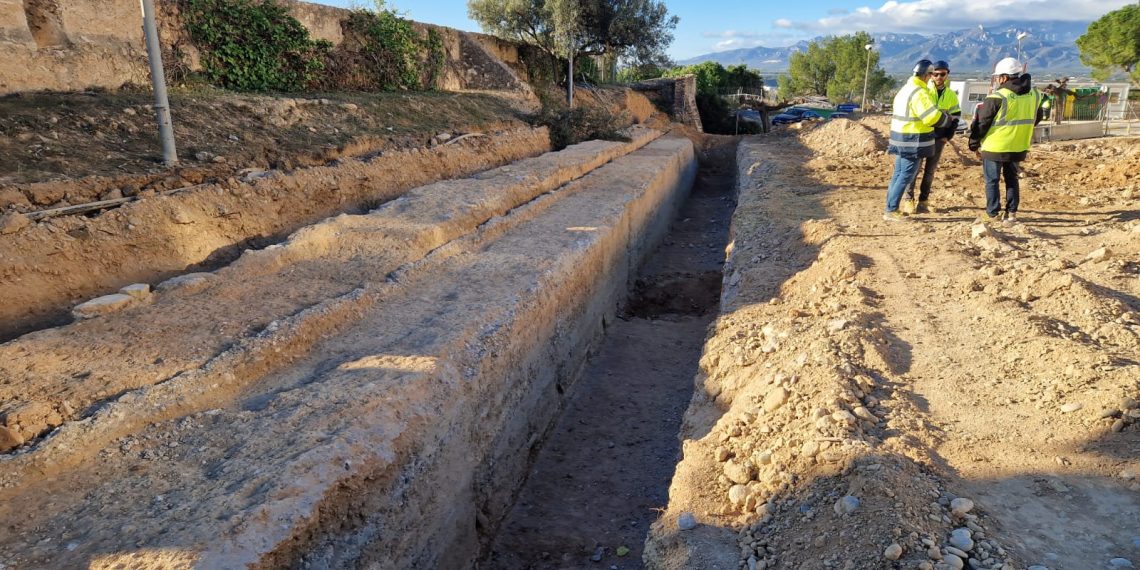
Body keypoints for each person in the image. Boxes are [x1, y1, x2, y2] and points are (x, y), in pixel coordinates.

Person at [968, 57, 1044, 223]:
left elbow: (982, 124)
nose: (996, 80)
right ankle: (1011, 214)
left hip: (995, 146)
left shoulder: (998, 97)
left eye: (997, 77)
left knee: (992, 181)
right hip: (1019, 146)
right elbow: (1037, 117)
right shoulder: (1035, 94)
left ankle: (993, 214)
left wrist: (973, 144)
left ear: (1004, 77)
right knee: (1012, 179)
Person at [883, 59, 953, 222]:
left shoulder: (906, 89)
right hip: (913, 140)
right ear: (927, 75)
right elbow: (930, 117)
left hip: (900, 138)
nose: (932, 78)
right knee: (905, 175)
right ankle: (891, 210)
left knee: (898, 174)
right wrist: (946, 120)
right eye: (932, 74)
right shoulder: (919, 92)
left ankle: (890, 206)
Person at [904, 60, 961, 214]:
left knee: (930, 171)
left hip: (939, 139)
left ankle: (923, 201)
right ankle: (909, 201)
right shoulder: (924, 90)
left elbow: (955, 117)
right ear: (930, 74)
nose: (938, 77)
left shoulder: (951, 95)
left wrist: (947, 136)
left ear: (947, 74)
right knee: (914, 170)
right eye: (935, 74)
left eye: (942, 74)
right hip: (922, 137)